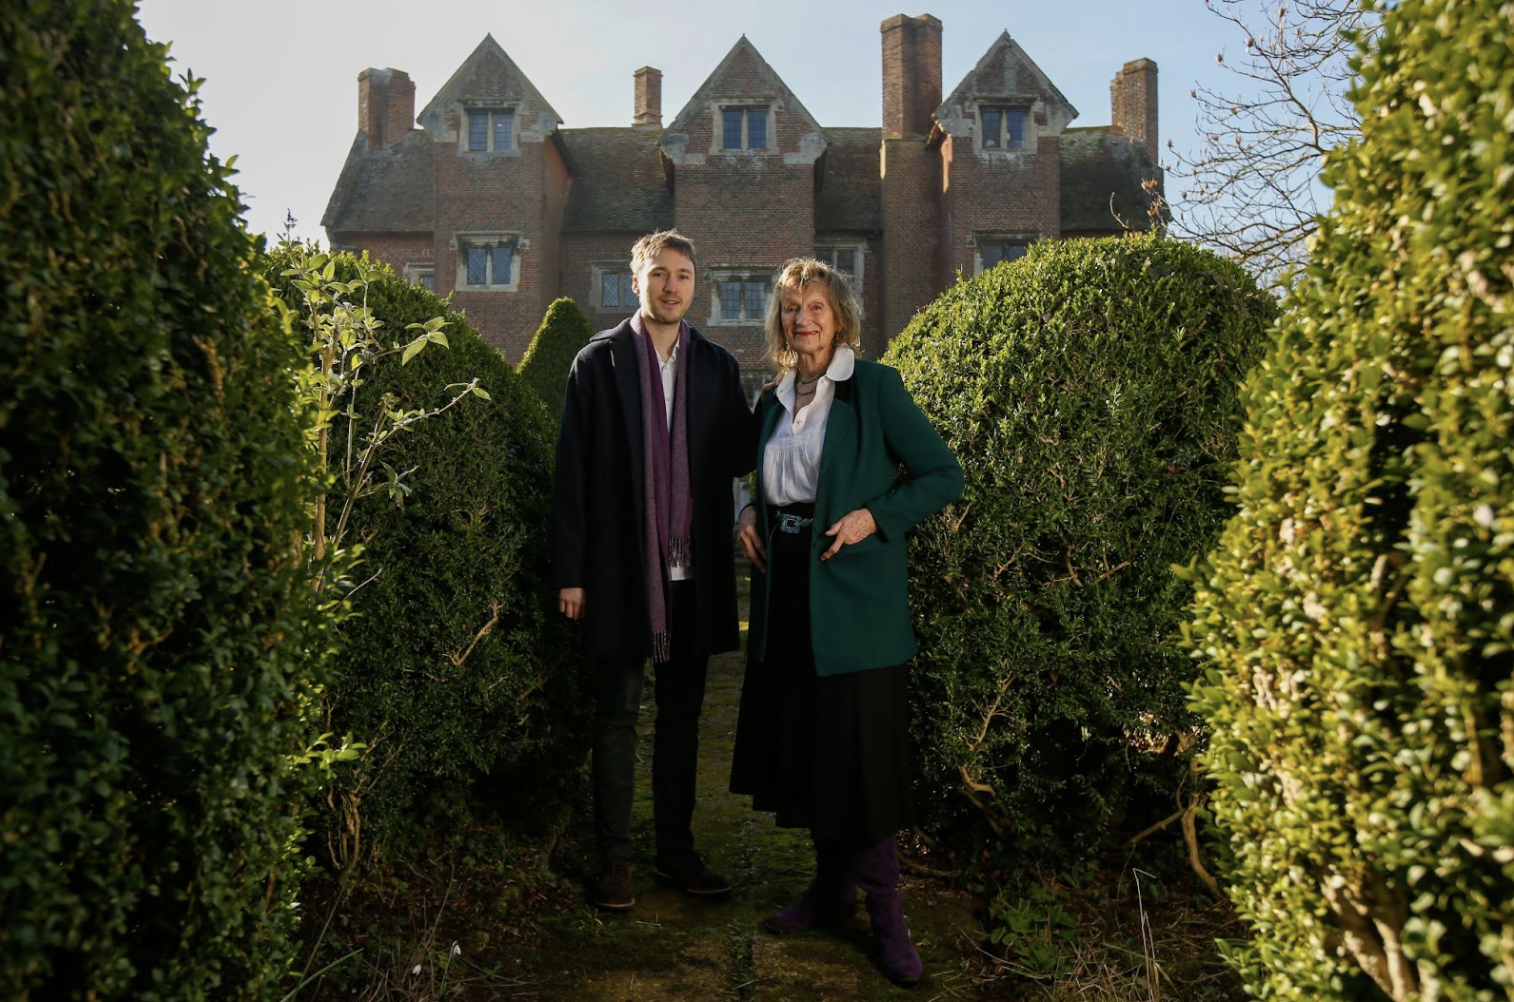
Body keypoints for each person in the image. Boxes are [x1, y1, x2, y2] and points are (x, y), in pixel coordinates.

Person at [730, 257, 963, 987]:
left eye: (817, 308)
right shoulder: (769, 399)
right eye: (793, 309)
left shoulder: (874, 389)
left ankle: (888, 921)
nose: (804, 320)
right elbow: (753, 472)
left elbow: (941, 475)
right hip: (785, 595)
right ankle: (829, 891)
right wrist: (744, 509)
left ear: (841, 317)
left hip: (854, 602)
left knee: (861, 761)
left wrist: (874, 517)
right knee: (812, 750)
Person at [552, 229, 755, 911]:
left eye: (684, 276)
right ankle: (615, 858)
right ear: (635, 279)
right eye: (660, 274)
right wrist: (570, 574)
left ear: (696, 285)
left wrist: (799, 395)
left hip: (691, 572)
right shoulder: (598, 363)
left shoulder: (718, 367)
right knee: (616, 717)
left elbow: (740, 456)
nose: (672, 286)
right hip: (616, 571)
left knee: (682, 718)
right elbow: (571, 475)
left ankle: (675, 851)